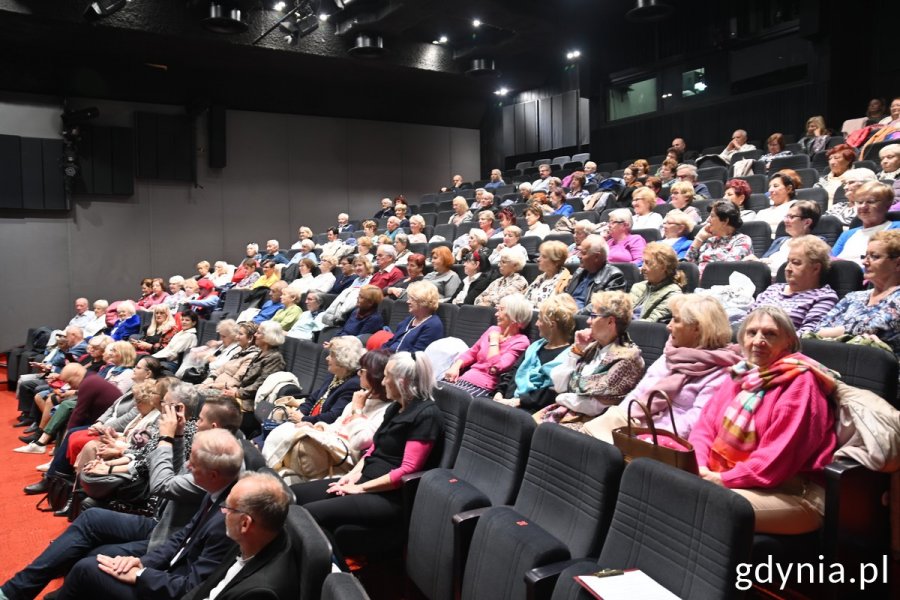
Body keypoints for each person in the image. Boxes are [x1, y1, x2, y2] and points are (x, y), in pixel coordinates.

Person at [1, 428, 245, 600]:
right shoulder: (216, 488)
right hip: (162, 546)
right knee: (91, 529)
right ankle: (18, 591)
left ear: (212, 475)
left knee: (89, 565)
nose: (188, 468)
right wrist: (140, 562)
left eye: (193, 464)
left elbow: (191, 586)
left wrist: (140, 573)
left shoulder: (227, 517)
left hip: (169, 580)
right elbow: (181, 539)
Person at [689, 306, 837, 534]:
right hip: (731, 480)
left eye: (770, 334)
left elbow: (776, 459)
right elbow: (704, 427)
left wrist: (720, 479)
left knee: (702, 507)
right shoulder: (743, 373)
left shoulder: (801, 384)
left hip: (794, 493)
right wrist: (698, 466)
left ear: (788, 341)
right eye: (752, 333)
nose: (758, 341)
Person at [291, 352, 443, 565]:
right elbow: (373, 450)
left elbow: (407, 470)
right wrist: (352, 477)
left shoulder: (426, 415)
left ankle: (334, 579)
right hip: (365, 481)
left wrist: (361, 488)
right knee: (293, 495)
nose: (382, 381)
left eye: (387, 376)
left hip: (388, 497)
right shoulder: (396, 407)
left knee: (308, 516)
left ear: (403, 381)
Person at [582, 294, 741, 442]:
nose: (668, 326)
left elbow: (694, 422)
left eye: (676, 320)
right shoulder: (670, 353)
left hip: (664, 444)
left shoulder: (723, 370)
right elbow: (638, 393)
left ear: (697, 328)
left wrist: (648, 439)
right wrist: (623, 424)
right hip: (632, 428)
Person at [263, 349, 392, 484]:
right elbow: (335, 423)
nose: (359, 373)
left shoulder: (382, 408)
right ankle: (264, 463)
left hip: (344, 456)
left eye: (362, 371)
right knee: (285, 426)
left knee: (300, 442)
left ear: (374, 376)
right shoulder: (352, 390)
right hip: (329, 438)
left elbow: (359, 442)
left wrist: (357, 410)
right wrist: (316, 426)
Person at [536, 291, 644, 429]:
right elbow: (559, 385)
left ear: (610, 321)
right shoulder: (592, 347)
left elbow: (594, 406)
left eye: (593, 316)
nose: (588, 321)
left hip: (594, 424)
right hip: (567, 413)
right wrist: (576, 350)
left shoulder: (629, 358)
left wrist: (562, 398)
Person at [180, 472, 296, 600]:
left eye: (228, 508)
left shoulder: (260, 593)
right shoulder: (250, 542)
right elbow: (206, 586)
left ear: (245, 523)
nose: (223, 512)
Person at [818, 230, 900, 362]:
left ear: (897, 264)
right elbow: (818, 328)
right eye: (865, 256)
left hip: (875, 371)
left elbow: (872, 328)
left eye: (874, 256)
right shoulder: (853, 296)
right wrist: (842, 332)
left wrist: (834, 332)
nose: (865, 262)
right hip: (835, 359)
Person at [493, 294, 577, 411]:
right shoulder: (535, 346)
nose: (536, 324)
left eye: (540, 319)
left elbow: (551, 392)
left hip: (531, 409)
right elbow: (513, 372)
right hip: (506, 401)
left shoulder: (569, 356)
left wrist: (518, 401)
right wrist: (499, 392)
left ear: (552, 325)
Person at [442, 294, 532, 396]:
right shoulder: (493, 329)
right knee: (432, 391)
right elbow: (472, 352)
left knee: (448, 398)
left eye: (501, 310)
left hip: (484, 387)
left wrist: (494, 341)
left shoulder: (521, 342)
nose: (496, 314)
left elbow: (495, 368)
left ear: (514, 316)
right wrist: (455, 366)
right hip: (463, 379)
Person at [752, 236, 839, 335]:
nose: (787, 268)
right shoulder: (773, 289)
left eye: (796, 263)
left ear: (815, 269)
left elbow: (807, 335)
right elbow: (746, 320)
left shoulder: (824, 297)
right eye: (788, 261)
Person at [219, 321, 286, 435]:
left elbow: (260, 384)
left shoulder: (275, 358)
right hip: (241, 395)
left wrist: (237, 393)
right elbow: (245, 379)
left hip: (250, 404)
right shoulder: (260, 353)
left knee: (216, 408)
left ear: (267, 337)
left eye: (258, 333)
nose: (255, 335)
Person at [280, 336, 364, 427]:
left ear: (343, 359)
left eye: (331, 355)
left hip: (322, 429)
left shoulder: (354, 384)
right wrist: (300, 412)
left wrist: (303, 419)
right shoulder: (333, 375)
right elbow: (313, 398)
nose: (327, 358)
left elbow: (334, 416)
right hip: (309, 421)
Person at [832, 182, 900, 267]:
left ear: (887, 205)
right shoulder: (847, 234)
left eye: (871, 202)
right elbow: (831, 261)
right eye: (859, 202)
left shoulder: (897, 228)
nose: (863, 206)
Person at [685, 200, 754, 274]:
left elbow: (727, 267)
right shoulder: (709, 240)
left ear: (725, 221)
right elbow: (687, 266)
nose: (708, 220)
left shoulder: (742, 240)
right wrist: (699, 238)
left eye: (712, 216)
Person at [564, 235, 626, 313]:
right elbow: (565, 295)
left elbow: (600, 306)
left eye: (583, 253)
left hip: (584, 320)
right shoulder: (579, 271)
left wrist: (573, 314)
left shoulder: (614, 276)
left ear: (596, 256)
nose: (578, 256)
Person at [629, 242, 685, 322]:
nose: (642, 268)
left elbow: (651, 324)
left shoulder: (673, 295)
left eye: (648, 263)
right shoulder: (638, 286)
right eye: (643, 262)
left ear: (663, 267)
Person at [381, 281, 444, 352]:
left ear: (423, 301)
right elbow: (392, 341)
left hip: (404, 361)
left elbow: (416, 355)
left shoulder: (433, 325)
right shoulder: (410, 319)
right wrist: (380, 352)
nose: (408, 302)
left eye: (412, 299)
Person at [200, 322, 260, 393]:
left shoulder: (251, 356)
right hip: (212, 386)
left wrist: (211, 385)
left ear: (250, 338)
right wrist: (204, 383)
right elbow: (218, 371)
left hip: (224, 392)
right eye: (237, 333)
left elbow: (236, 382)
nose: (237, 336)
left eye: (240, 334)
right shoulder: (239, 351)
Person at [319, 256, 373, 326]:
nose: (357, 268)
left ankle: (337, 316)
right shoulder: (356, 280)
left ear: (367, 266)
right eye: (355, 266)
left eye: (360, 265)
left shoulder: (371, 279)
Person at [524, 240, 571, 308]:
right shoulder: (540, 278)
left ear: (556, 262)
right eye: (540, 255)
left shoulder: (566, 281)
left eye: (544, 256)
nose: (538, 259)